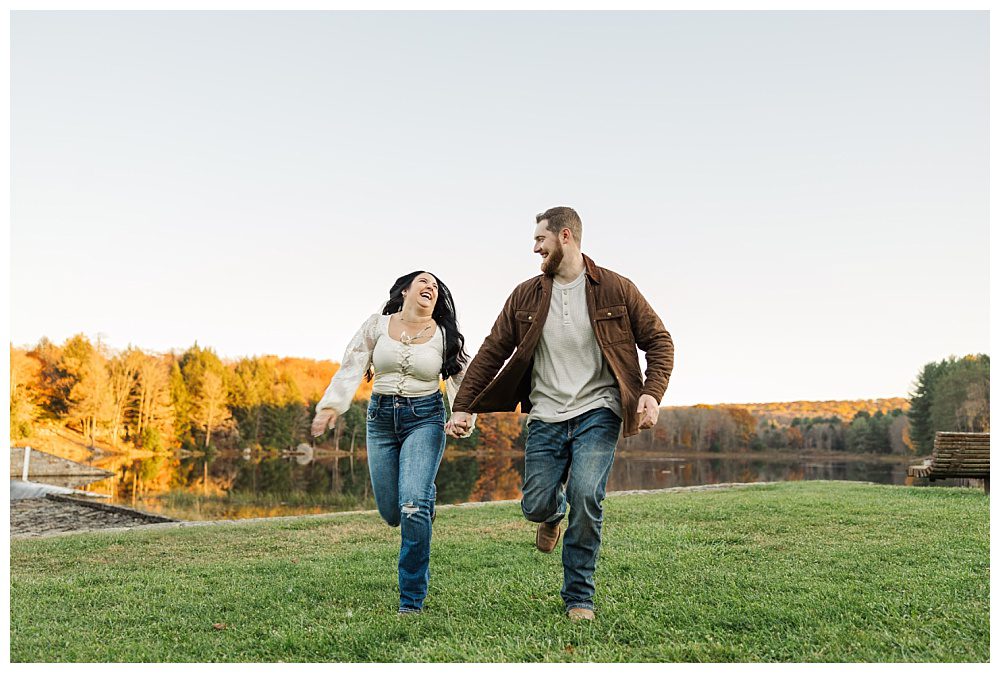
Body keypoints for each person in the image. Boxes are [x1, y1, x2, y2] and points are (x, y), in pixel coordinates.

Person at [447, 206, 673, 622]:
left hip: (599, 409)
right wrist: (463, 405)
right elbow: (492, 350)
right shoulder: (526, 294)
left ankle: (579, 598)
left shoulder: (616, 288)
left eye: (540, 240)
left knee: (587, 495)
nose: (535, 248)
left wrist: (651, 393)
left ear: (565, 236)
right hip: (546, 413)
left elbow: (660, 342)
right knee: (535, 503)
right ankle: (550, 515)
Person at [312, 270, 475, 615]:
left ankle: (411, 599)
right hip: (381, 421)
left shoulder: (445, 335)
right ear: (405, 290)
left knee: (412, 505)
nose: (431, 287)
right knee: (391, 513)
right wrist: (330, 406)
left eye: (435, 286)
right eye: (424, 282)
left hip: (426, 419)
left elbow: (465, 376)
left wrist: (463, 415)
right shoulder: (377, 325)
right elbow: (351, 365)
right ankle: (423, 499)